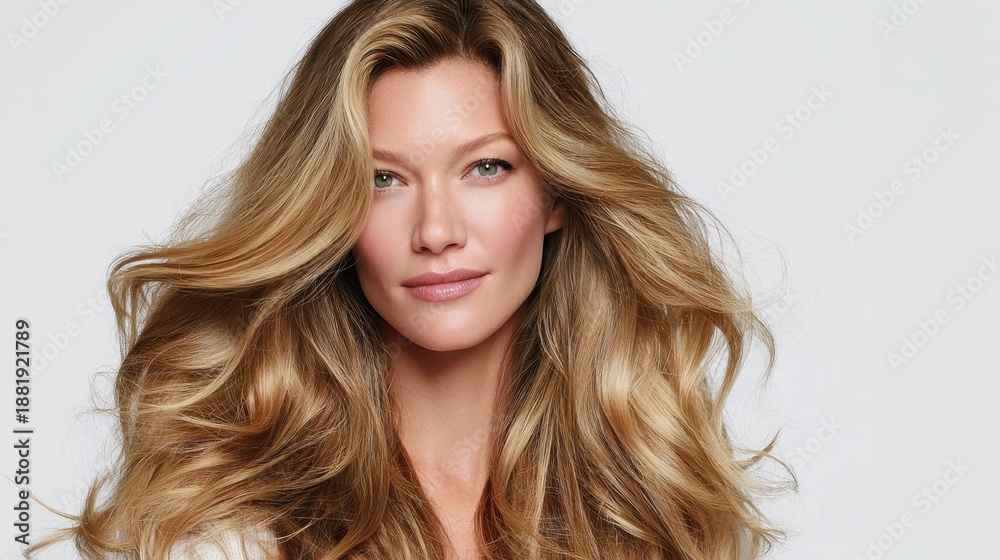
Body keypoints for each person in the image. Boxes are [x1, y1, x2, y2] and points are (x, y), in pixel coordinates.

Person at [29, 0, 795, 558]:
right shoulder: (234, 528)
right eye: (384, 179)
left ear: (556, 192)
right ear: (329, 209)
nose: (435, 231)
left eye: (485, 167)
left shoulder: (653, 506)